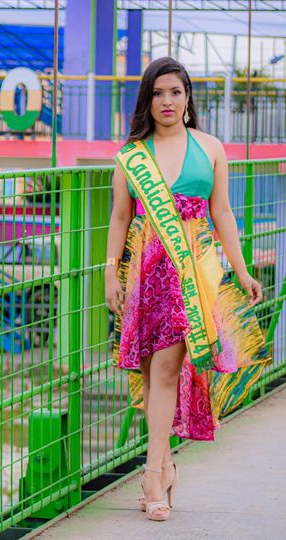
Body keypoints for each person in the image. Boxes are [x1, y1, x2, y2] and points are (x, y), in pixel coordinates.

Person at [105, 57, 271, 522]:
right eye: (158, 93)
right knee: (152, 370)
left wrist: (241, 270)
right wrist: (109, 272)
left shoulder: (211, 147)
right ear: (147, 99)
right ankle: (165, 468)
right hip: (146, 273)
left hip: (193, 274)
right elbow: (120, 217)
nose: (167, 101)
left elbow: (222, 212)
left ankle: (152, 474)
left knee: (167, 367)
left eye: (175, 92)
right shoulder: (132, 155)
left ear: (188, 96)